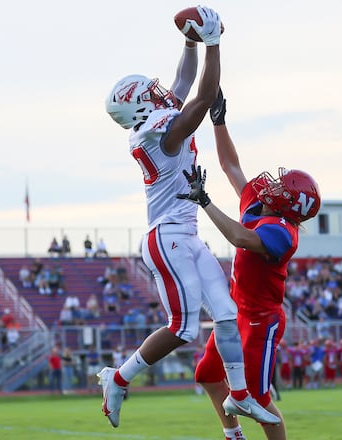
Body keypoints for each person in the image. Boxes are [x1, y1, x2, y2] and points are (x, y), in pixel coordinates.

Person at [100, 7, 278, 430]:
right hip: (168, 236)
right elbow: (199, 97)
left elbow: (182, 83)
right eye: (152, 91)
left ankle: (239, 397)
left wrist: (190, 40)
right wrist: (214, 41)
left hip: (185, 233)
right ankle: (119, 378)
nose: (162, 91)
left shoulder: (153, 121)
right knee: (183, 327)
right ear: (141, 104)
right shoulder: (162, 132)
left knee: (227, 315)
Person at [187, 86, 322, 438]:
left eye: (282, 187)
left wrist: (205, 202)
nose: (273, 185)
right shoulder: (261, 206)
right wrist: (219, 121)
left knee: (259, 400)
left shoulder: (282, 230)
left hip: (261, 321)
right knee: (207, 375)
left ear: (287, 204)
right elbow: (231, 166)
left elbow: (241, 238)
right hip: (236, 312)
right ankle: (233, 436)